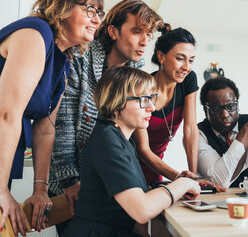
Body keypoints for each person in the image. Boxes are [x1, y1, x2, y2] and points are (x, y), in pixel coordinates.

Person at [48, 0, 163, 224]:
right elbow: (63, 123)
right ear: (113, 31)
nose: (144, 42)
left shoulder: (135, 70)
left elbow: (137, 141)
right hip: (70, 182)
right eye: (137, 32)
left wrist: (176, 177)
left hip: (109, 182)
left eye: (149, 35)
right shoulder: (79, 57)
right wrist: (69, 180)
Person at [0, 0, 104, 235]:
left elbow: (45, 128)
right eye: (89, 10)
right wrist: (0, 189)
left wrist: (40, 189)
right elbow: (6, 113)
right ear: (63, 6)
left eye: (100, 13)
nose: (97, 19)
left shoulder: (64, 62)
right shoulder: (35, 34)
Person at [61, 66, 200, 237]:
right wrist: (183, 183)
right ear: (116, 104)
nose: (151, 107)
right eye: (143, 99)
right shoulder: (107, 141)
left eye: (151, 98)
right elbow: (142, 210)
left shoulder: (121, 140)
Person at [133, 26, 200, 184]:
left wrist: (193, 177)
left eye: (191, 60)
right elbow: (142, 150)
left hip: (157, 165)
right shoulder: (141, 88)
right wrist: (179, 178)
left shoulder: (188, 80)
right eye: (180, 58)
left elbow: (190, 129)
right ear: (161, 57)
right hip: (131, 163)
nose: (186, 67)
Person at [197, 77, 248, 188]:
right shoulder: (198, 134)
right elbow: (220, 181)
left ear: (237, 105)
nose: (225, 114)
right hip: (218, 200)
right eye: (216, 108)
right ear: (205, 110)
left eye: (231, 106)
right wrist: (247, 129)